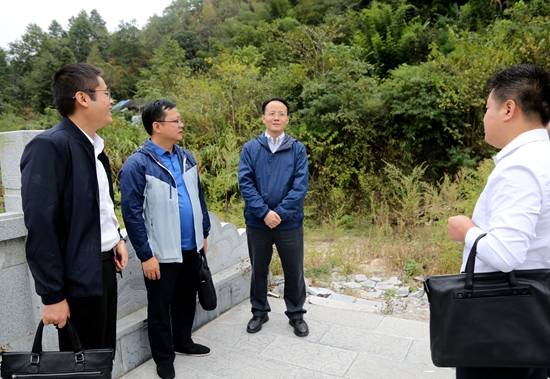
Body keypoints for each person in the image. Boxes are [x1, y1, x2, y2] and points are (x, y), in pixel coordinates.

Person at [447, 64, 550, 379]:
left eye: (487, 107)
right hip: (532, 313)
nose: (484, 117)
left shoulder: (521, 167)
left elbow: (506, 254)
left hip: (501, 320)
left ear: (509, 108)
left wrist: (467, 230)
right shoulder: (543, 157)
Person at [20, 63, 128, 355]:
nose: (111, 101)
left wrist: (116, 238)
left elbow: (98, 205)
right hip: (77, 278)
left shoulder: (94, 148)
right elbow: (41, 225)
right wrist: (52, 295)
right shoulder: (50, 146)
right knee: (82, 361)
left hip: (104, 267)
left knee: (102, 355)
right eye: (106, 93)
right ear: (83, 98)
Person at [120, 99, 211, 379]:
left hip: (190, 246)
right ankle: (163, 357)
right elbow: (131, 213)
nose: (182, 125)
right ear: (157, 126)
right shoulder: (138, 164)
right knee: (160, 306)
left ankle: (183, 341)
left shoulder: (186, 156)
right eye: (176, 121)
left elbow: (199, 196)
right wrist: (146, 255)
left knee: (186, 298)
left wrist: (203, 232)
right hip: (160, 252)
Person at [238, 97, 309, 337]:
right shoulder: (251, 148)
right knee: (259, 268)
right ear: (263, 118)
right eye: (272, 113)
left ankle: (296, 314)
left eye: (281, 113)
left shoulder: (297, 148)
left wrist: (278, 213)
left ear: (287, 118)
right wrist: (264, 212)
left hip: (289, 222)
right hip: (258, 222)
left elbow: (300, 186)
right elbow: (245, 183)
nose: (276, 117)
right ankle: (259, 312)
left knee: (293, 268)